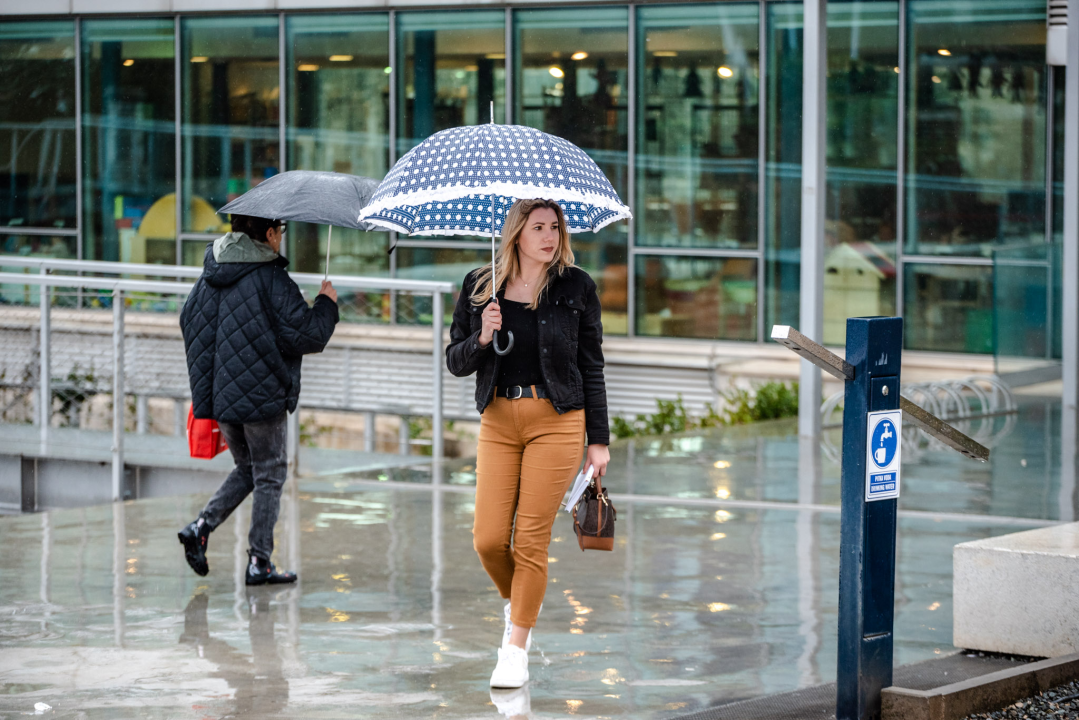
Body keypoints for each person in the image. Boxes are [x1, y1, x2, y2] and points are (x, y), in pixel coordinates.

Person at [446, 198, 610, 689]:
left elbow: (592, 366)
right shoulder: (481, 286)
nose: (549, 236)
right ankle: (520, 604)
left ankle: (515, 649)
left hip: (557, 422)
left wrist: (598, 441)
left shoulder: (576, 287)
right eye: (537, 227)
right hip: (498, 420)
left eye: (554, 227)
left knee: (530, 540)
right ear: (516, 233)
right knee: (489, 539)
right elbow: (454, 361)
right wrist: (481, 335)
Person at [177, 214, 338, 586]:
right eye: (280, 231)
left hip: (221, 396)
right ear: (268, 233)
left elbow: (190, 320)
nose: (281, 238)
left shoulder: (211, 272)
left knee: (249, 468)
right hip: (261, 396)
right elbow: (309, 335)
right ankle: (260, 562)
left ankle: (201, 527)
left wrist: (214, 378)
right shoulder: (271, 279)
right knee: (270, 473)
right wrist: (326, 304)